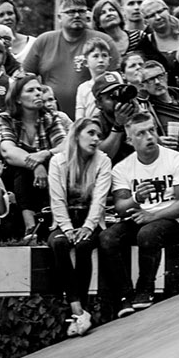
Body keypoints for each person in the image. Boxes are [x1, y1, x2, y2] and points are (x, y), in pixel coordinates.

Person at [98, 109, 179, 318]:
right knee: (107, 238)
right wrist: (136, 198)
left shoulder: (176, 159)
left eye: (151, 130)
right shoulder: (122, 168)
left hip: (170, 220)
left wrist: (153, 216)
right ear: (129, 140)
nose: (149, 137)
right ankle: (124, 296)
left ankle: (145, 289)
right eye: (141, 133)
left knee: (148, 233)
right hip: (139, 218)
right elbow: (121, 208)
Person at [47, 116, 112, 338]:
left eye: (99, 135)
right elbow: (56, 199)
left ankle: (80, 312)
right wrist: (67, 228)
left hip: (90, 219)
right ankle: (77, 309)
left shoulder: (103, 161)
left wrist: (88, 226)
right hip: (63, 219)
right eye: (91, 133)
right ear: (76, 135)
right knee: (59, 244)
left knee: (84, 245)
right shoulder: (57, 161)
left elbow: (99, 200)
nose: (96, 139)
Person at [0, 76, 71, 241]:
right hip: (12, 176)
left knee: (54, 161)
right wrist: (36, 165)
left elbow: (65, 146)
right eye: (30, 90)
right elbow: (8, 151)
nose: (38, 93)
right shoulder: (5, 118)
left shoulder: (50, 117)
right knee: (22, 166)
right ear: (18, 98)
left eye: (39, 89)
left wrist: (45, 154)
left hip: (48, 172)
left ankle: (40, 226)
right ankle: (30, 225)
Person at [21, 0, 118, 117]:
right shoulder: (44, 41)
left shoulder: (103, 41)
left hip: (94, 118)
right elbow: (25, 79)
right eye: (71, 12)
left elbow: (116, 79)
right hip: (51, 118)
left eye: (81, 11)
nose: (77, 15)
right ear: (59, 17)